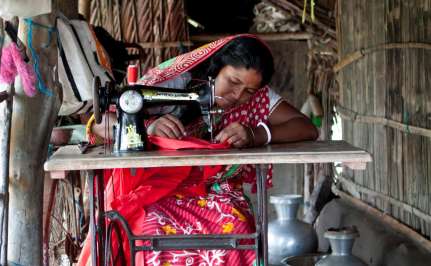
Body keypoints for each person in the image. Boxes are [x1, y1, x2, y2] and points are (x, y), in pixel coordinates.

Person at [83, 34, 318, 266]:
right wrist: (147, 126)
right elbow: (102, 121)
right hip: (155, 188)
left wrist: (257, 134)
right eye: (233, 82)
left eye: (248, 91)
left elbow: (306, 127)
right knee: (152, 228)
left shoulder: (256, 97)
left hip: (216, 188)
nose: (237, 96)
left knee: (239, 228)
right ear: (215, 69)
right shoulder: (172, 81)